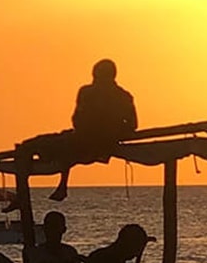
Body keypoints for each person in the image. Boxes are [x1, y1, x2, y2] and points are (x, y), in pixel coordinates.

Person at [49, 59, 139, 201]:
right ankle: (60, 185)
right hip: (94, 138)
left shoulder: (89, 92)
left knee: (52, 145)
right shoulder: (123, 96)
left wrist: (109, 132)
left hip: (91, 140)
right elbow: (133, 125)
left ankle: (62, 185)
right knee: (51, 142)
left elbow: (77, 118)